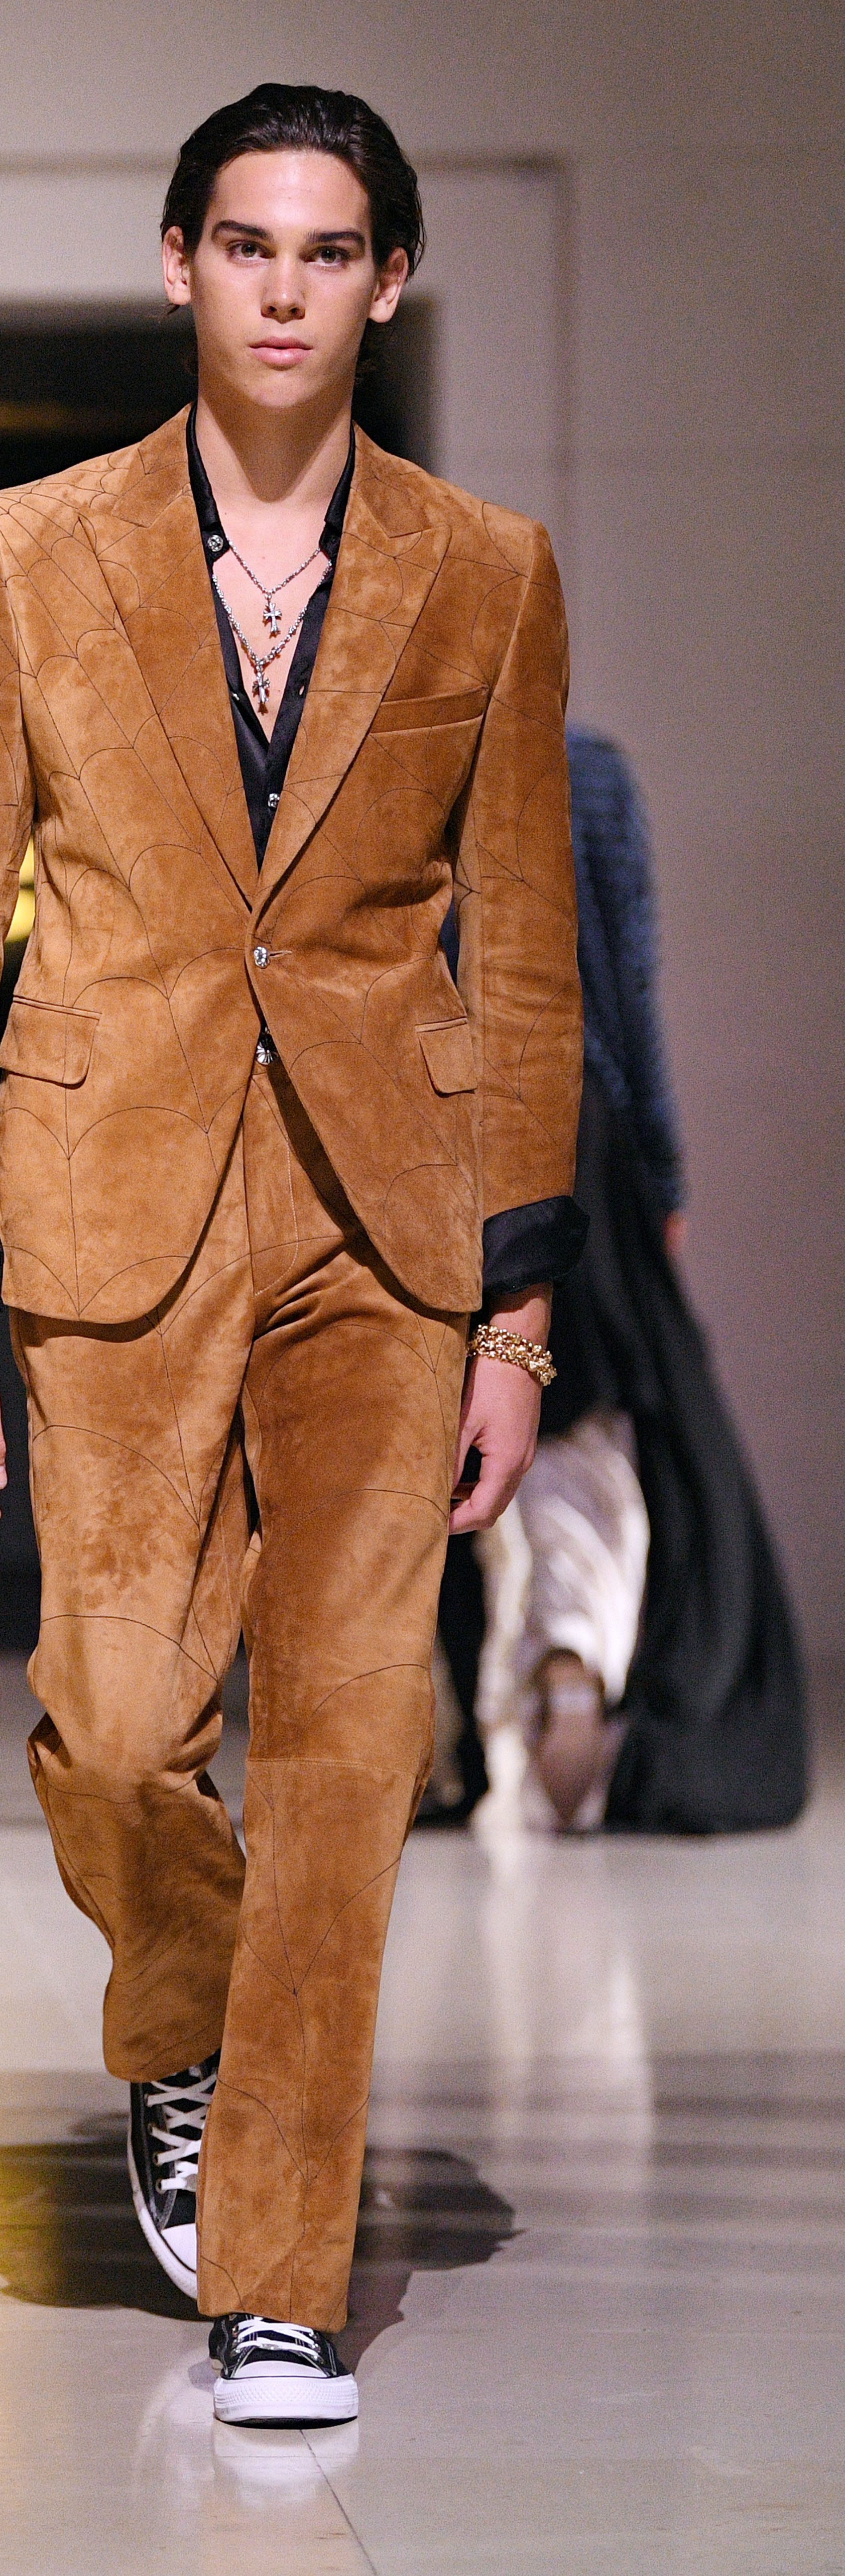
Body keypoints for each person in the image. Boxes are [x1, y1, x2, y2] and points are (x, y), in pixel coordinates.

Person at [0, 83, 585, 2426]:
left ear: (388, 282)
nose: (285, 286)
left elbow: (530, 955)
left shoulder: (484, 566)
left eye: (331, 247)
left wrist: (523, 1305)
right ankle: (180, 2022)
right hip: (105, 1204)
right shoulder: (31, 547)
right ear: (175, 261)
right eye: (247, 242)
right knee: (113, 1722)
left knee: (361, 1744)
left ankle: (280, 2257)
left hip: (390, 1232)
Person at [470, 727, 806, 1832]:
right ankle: (568, 1657)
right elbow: (626, 977)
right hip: (571, 1123)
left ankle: (435, 1722)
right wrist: (658, 1174)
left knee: (415, 1424)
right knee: (579, 1412)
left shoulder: (387, 747)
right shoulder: (586, 771)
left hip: (418, 1129)